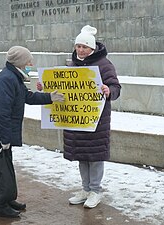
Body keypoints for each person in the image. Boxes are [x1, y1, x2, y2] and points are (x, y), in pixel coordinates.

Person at [37, 25, 121, 208]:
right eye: (78, 46)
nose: (80, 50)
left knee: (95, 156)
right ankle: (85, 188)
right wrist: (45, 87)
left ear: (92, 48)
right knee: (82, 155)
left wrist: (109, 91)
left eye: (84, 47)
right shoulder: (72, 64)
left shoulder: (104, 64)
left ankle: (95, 190)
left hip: (96, 120)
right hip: (77, 120)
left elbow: (116, 87)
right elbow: (63, 88)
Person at [0, 46, 64, 218]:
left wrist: (49, 97)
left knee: (6, 167)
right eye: (28, 61)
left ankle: (8, 199)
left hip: (2, 134)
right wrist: (4, 139)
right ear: (20, 62)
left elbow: (28, 97)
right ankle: (0, 205)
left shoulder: (14, 77)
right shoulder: (7, 79)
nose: (30, 64)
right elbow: (1, 113)